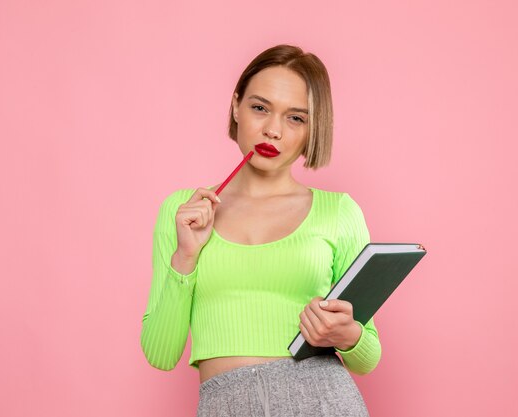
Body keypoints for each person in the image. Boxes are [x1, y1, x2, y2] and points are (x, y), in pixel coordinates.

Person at [140, 44, 382, 416]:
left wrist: (346, 335)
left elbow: (368, 356)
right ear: (236, 106)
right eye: (260, 107)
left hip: (324, 400)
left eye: (295, 118)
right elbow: (160, 353)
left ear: (312, 128)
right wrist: (185, 256)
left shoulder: (339, 213)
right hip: (225, 404)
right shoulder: (183, 212)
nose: (273, 130)